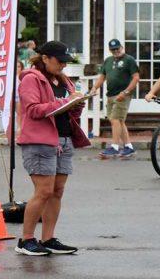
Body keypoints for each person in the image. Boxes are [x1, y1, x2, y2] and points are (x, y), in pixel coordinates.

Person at [16, 40, 89, 257]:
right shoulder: (31, 79)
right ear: (45, 58)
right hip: (40, 141)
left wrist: (76, 106)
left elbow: (67, 113)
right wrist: (64, 103)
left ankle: (48, 238)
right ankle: (25, 240)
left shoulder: (64, 80)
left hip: (63, 139)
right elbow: (33, 110)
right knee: (44, 191)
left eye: (66, 62)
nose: (63, 66)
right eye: (60, 61)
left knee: (57, 191)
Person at [90, 39, 139, 159]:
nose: (115, 51)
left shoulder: (129, 60)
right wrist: (94, 88)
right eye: (113, 49)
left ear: (121, 47)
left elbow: (136, 78)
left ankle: (115, 147)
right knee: (118, 121)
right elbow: (102, 76)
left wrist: (126, 91)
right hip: (110, 94)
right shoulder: (108, 61)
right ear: (109, 50)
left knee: (116, 119)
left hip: (123, 95)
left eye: (117, 48)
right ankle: (128, 147)